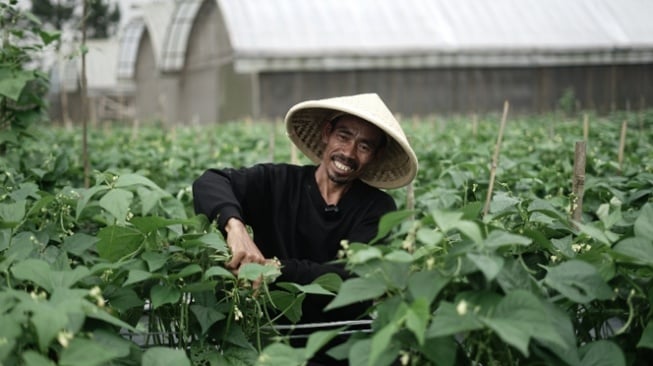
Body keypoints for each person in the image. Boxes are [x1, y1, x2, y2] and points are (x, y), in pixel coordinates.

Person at [192, 93, 418, 362]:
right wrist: (235, 228)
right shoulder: (278, 182)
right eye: (343, 137)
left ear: (376, 155)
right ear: (327, 133)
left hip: (341, 349)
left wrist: (275, 269)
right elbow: (210, 182)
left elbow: (351, 277)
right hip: (268, 341)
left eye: (364, 146)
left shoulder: (377, 208)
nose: (348, 153)